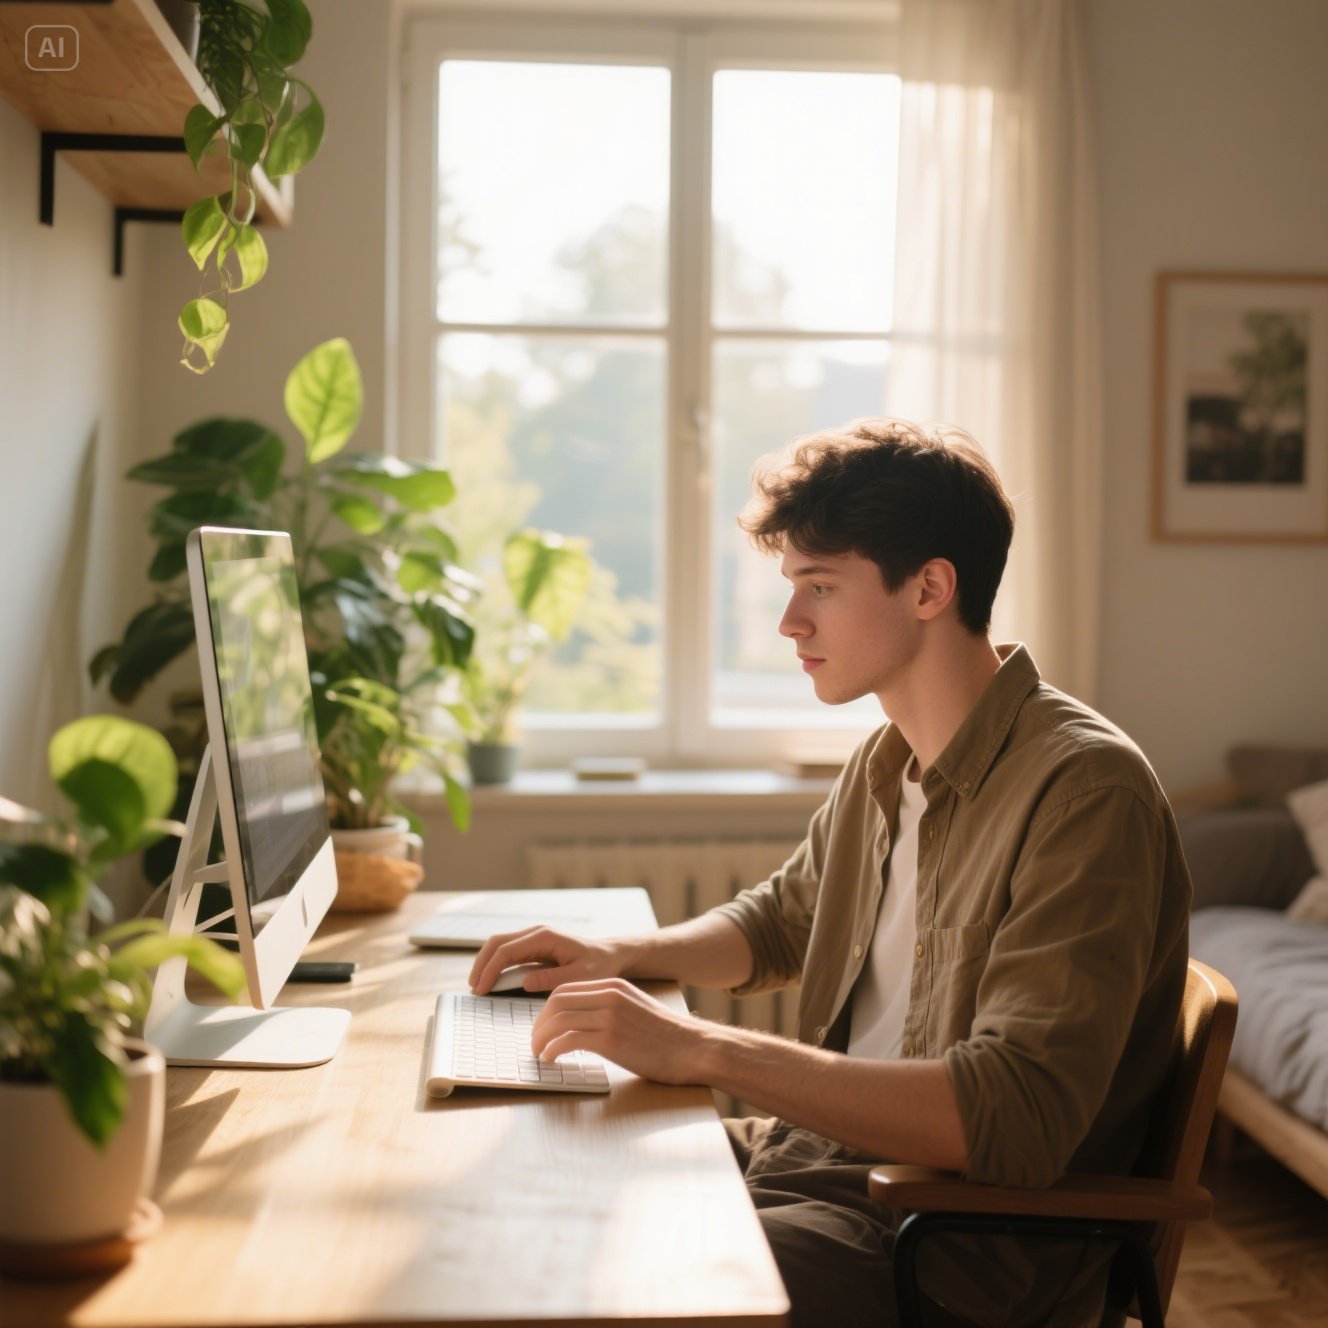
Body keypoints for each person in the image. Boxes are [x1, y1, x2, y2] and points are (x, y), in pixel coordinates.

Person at [469, 417, 1191, 1328]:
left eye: (821, 586)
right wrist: (619, 952)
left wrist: (697, 1048)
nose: (788, 622)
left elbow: (1014, 1113)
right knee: (530, 1182)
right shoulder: (889, 763)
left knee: (585, 1270)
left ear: (930, 588)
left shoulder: (1086, 791)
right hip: (817, 1167)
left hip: (944, 1251)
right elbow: (782, 922)